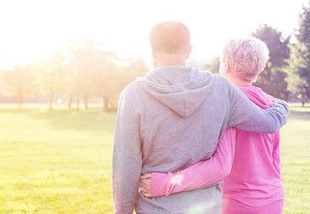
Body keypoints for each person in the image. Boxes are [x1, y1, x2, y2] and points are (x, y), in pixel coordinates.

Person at [112, 21, 289, 214]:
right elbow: (268, 123)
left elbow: (126, 165)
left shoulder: (134, 95)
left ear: (152, 50)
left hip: (157, 207)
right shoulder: (219, 89)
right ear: (189, 51)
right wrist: (281, 104)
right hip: (211, 207)